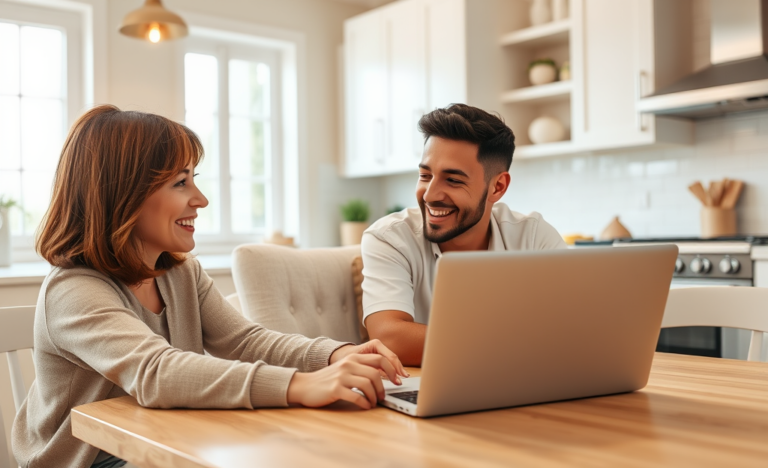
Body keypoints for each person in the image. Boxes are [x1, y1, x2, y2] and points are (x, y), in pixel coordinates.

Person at [12, 105, 407, 468]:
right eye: (180, 183)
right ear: (125, 194)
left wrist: (335, 355)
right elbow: (156, 372)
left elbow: (246, 342)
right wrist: (300, 385)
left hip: (161, 435)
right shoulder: (73, 289)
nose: (200, 199)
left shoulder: (180, 272)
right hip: (88, 459)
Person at [361, 104, 567, 366]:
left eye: (454, 180)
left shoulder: (533, 235)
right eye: (425, 175)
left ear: (498, 187)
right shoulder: (389, 238)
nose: (430, 194)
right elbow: (391, 339)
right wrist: (519, 343)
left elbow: (575, 325)